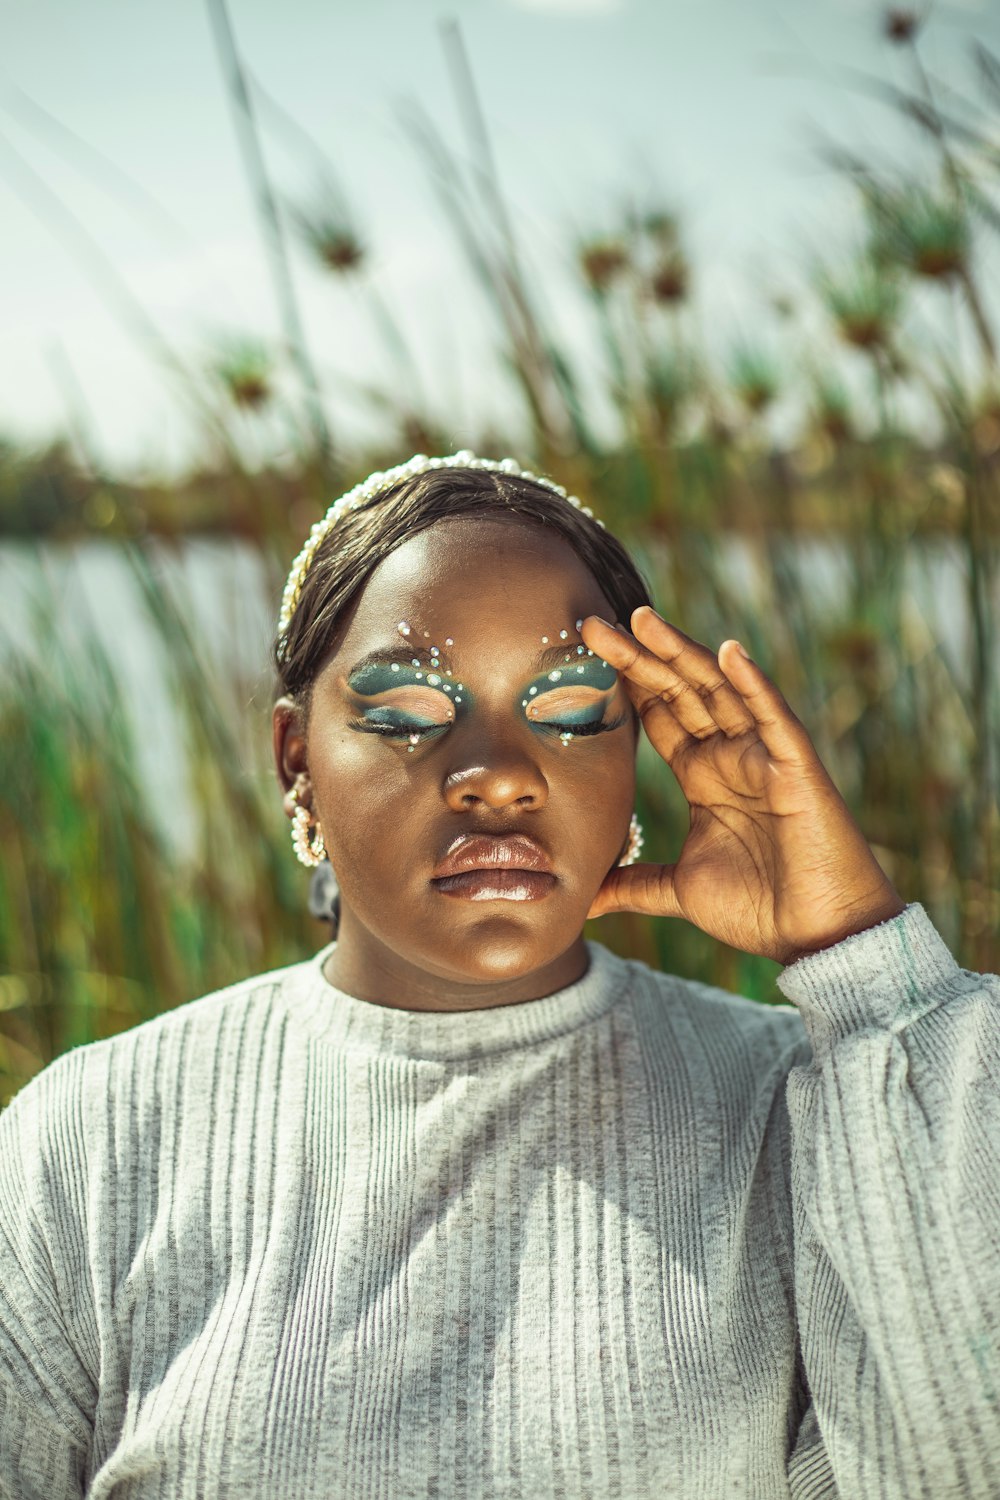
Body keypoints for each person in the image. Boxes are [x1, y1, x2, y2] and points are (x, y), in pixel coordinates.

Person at [0, 450, 997, 1499]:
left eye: (568, 711)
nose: (500, 774)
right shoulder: (94, 1136)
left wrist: (863, 957)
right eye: (405, 713)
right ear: (295, 758)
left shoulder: (798, 1115)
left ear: (635, 751)